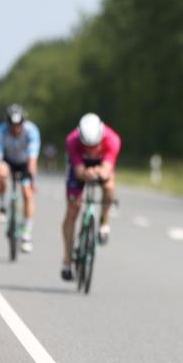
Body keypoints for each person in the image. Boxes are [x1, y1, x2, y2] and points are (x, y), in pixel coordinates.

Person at [61, 113, 121, 280]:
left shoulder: (112, 139)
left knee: (109, 186)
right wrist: (86, 173)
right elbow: (79, 172)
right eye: (87, 145)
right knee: (73, 208)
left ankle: (104, 222)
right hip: (79, 165)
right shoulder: (72, 140)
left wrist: (99, 172)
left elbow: (107, 169)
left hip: (102, 165)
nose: (91, 149)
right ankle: (67, 259)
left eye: (94, 145)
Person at [0, 104, 41, 252]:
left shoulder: (32, 131)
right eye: (12, 126)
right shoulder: (0, 131)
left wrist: (33, 181)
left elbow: (33, 161)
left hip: (25, 163)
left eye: (18, 125)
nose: (15, 129)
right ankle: (3, 205)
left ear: (23, 123)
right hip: (8, 161)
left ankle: (26, 232)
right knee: (2, 173)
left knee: (27, 193)